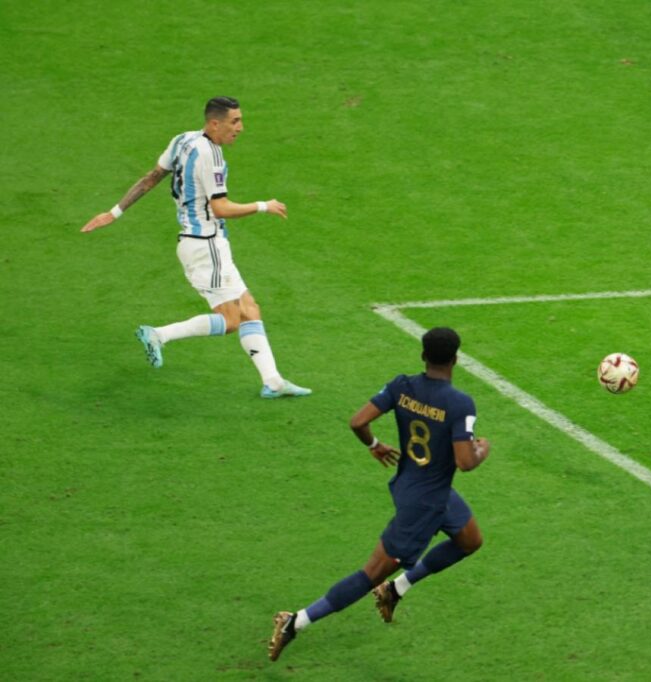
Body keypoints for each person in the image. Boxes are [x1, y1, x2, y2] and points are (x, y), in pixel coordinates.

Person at [268, 327, 491, 662]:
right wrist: (482, 449)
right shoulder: (460, 403)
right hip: (424, 505)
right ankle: (296, 621)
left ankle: (396, 589)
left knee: (470, 540)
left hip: (413, 485)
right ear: (455, 359)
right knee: (370, 574)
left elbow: (358, 421)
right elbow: (465, 462)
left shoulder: (402, 385)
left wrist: (374, 444)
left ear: (423, 356)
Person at [80, 96, 310, 398]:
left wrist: (114, 212)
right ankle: (159, 334)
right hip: (206, 247)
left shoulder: (182, 140)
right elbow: (221, 208)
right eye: (235, 122)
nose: (240, 128)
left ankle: (274, 382)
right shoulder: (211, 155)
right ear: (214, 123)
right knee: (230, 320)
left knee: (249, 308)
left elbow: (151, 178)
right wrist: (263, 206)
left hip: (201, 244)